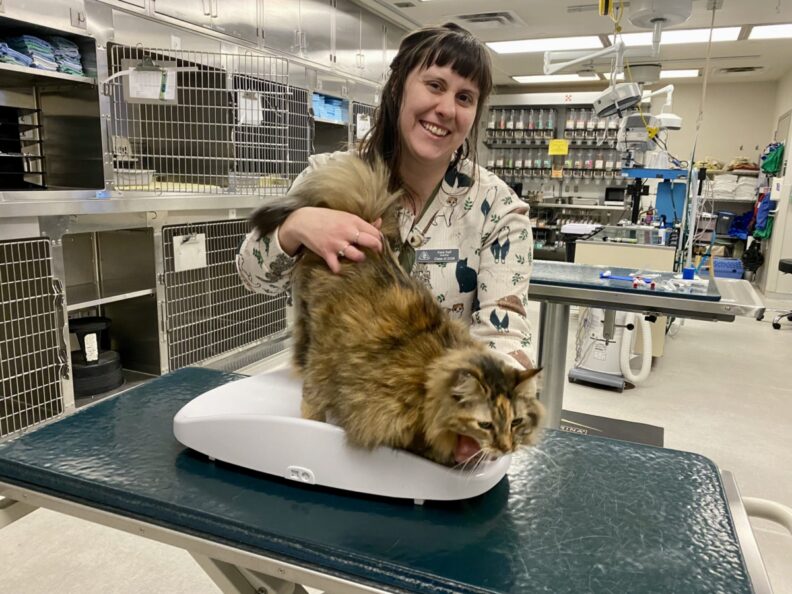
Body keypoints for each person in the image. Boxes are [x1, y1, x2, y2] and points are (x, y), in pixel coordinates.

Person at [237, 23, 535, 369]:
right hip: (331, 390)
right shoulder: (332, 177)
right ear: (398, 87)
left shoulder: (497, 209)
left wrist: (490, 400)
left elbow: (505, 336)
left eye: (465, 97)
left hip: (429, 403)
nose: (447, 109)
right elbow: (253, 278)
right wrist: (294, 227)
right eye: (435, 85)